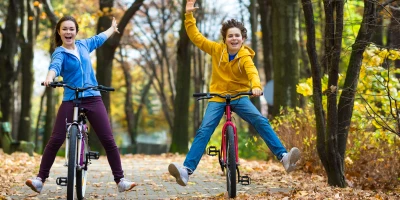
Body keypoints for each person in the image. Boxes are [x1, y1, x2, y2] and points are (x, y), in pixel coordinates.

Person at [168, 0, 301, 186]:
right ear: (225, 38)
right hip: (217, 97)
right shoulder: (216, 50)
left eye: (237, 35)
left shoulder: (245, 56)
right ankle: (186, 171)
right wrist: (189, 15)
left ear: (243, 38)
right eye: (230, 36)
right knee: (204, 130)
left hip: (239, 97)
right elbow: (196, 37)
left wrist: (256, 86)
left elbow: (252, 72)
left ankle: (284, 157)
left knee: (260, 120)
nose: (234, 39)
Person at [25, 15, 136, 193]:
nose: (68, 32)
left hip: (93, 97)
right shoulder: (59, 53)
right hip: (71, 98)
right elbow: (55, 66)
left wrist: (112, 29)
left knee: (108, 140)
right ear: (59, 32)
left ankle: (120, 180)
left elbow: (99, 38)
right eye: (64, 29)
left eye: (71, 29)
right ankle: (40, 179)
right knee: (56, 139)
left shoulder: (84, 45)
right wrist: (48, 78)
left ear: (76, 31)